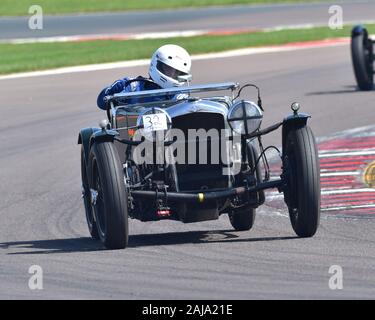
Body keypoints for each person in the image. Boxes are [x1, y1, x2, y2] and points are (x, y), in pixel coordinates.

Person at [97, 44, 192, 110]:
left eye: (177, 73)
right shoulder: (133, 87)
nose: (172, 75)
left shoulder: (180, 98)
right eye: (168, 69)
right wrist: (112, 91)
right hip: (131, 135)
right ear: (156, 64)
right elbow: (101, 103)